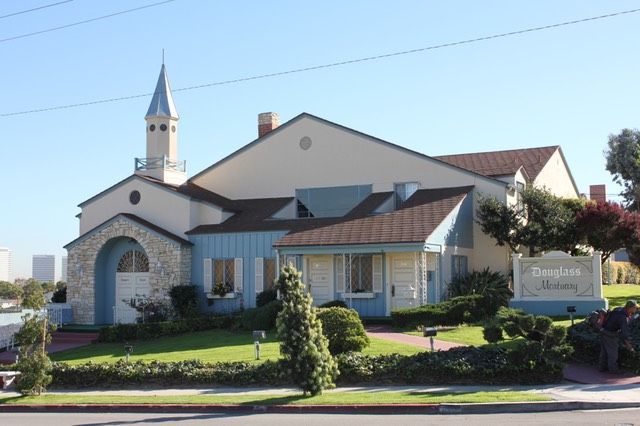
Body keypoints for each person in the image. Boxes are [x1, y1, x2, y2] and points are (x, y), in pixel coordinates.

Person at [599, 300, 638, 373]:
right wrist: (629, 344)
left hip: (603, 330)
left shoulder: (619, 309)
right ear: (630, 308)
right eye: (635, 308)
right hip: (610, 334)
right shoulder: (623, 317)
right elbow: (624, 332)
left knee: (604, 351)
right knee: (613, 352)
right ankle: (613, 370)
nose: (636, 309)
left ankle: (602, 368)